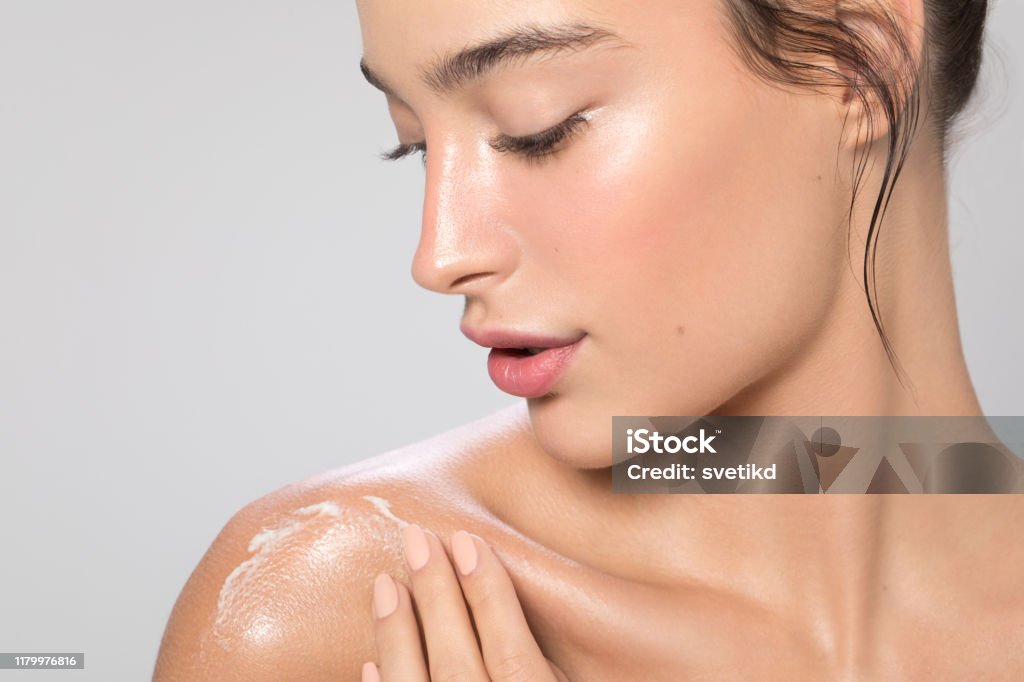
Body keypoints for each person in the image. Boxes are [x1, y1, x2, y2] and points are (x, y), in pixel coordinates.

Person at [153, 0, 1023, 679]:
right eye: (413, 143)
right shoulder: (341, 608)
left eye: (539, 128)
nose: (440, 254)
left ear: (860, 65)